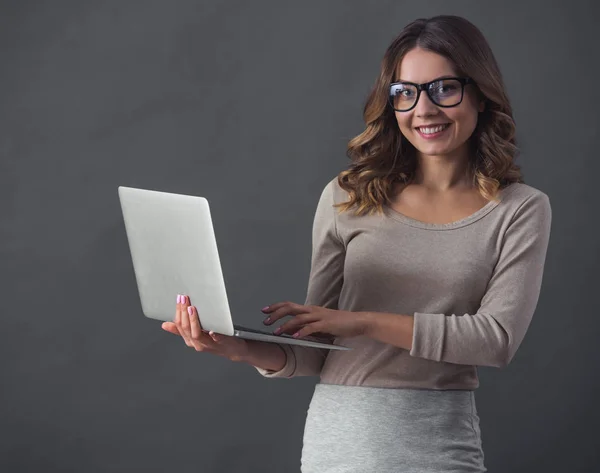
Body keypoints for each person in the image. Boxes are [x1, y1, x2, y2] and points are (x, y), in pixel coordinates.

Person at [162, 14, 552, 473]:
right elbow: (319, 343)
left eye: (444, 88)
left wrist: (362, 321)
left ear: (481, 94)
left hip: (438, 447)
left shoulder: (520, 209)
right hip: (336, 444)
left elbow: (495, 340)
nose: (423, 110)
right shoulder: (348, 195)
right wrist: (237, 348)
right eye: (405, 93)